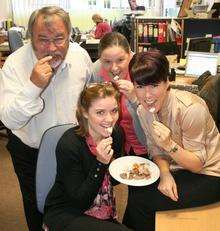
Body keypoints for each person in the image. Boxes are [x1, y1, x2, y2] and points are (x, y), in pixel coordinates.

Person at [0, 6, 93, 231]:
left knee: (76, 204)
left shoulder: (80, 57)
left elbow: (88, 98)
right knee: (37, 208)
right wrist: (33, 86)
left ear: (70, 35)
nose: (51, 48)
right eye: (42, 39)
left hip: (74, 149)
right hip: (31, 152)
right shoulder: (14, 64)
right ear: (30, 37)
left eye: (59, 38)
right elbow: (10, 120)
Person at [123, 50, 220, 231]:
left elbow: (197, 165)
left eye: (154, 85)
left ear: (167, 82)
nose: (147, 95)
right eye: (140, 86)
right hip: (179, 167)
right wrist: (165, 174)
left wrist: (169, 145)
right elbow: (154, 149)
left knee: (141, 202)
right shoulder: (143, 111)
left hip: (210, 173)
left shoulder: (191, 109)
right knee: (136, 188)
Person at [43, 82, 131, 231]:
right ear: (84, 112)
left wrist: (126, 172)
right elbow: (79, 201)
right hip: (68, 210)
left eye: (114, 110)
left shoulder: (116, 134)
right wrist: (101, 163)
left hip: (102, 208)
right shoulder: (69, 144)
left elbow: (112, 181)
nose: (110, 119)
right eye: (100, 112)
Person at [93, 31, 147, 157]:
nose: (114, 68)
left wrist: (135, 99)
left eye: (120, 60)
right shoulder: (96, 72)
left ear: (130, 55)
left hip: (145, 147)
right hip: (113, 147)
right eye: (107, 62)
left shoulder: (143, 71)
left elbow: (155, 122)